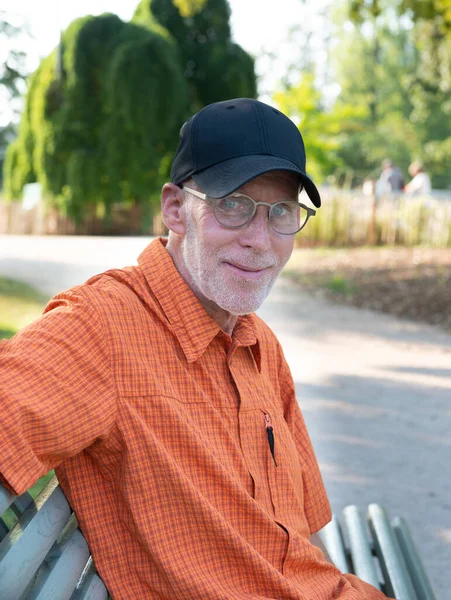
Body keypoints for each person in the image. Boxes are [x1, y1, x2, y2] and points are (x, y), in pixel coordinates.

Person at [0, 99, 391, 599]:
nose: (259, 240)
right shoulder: (103, 328)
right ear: (175, 209)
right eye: (232, 204)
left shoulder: (260, 344)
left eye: (281, 212)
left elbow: (308, 536)